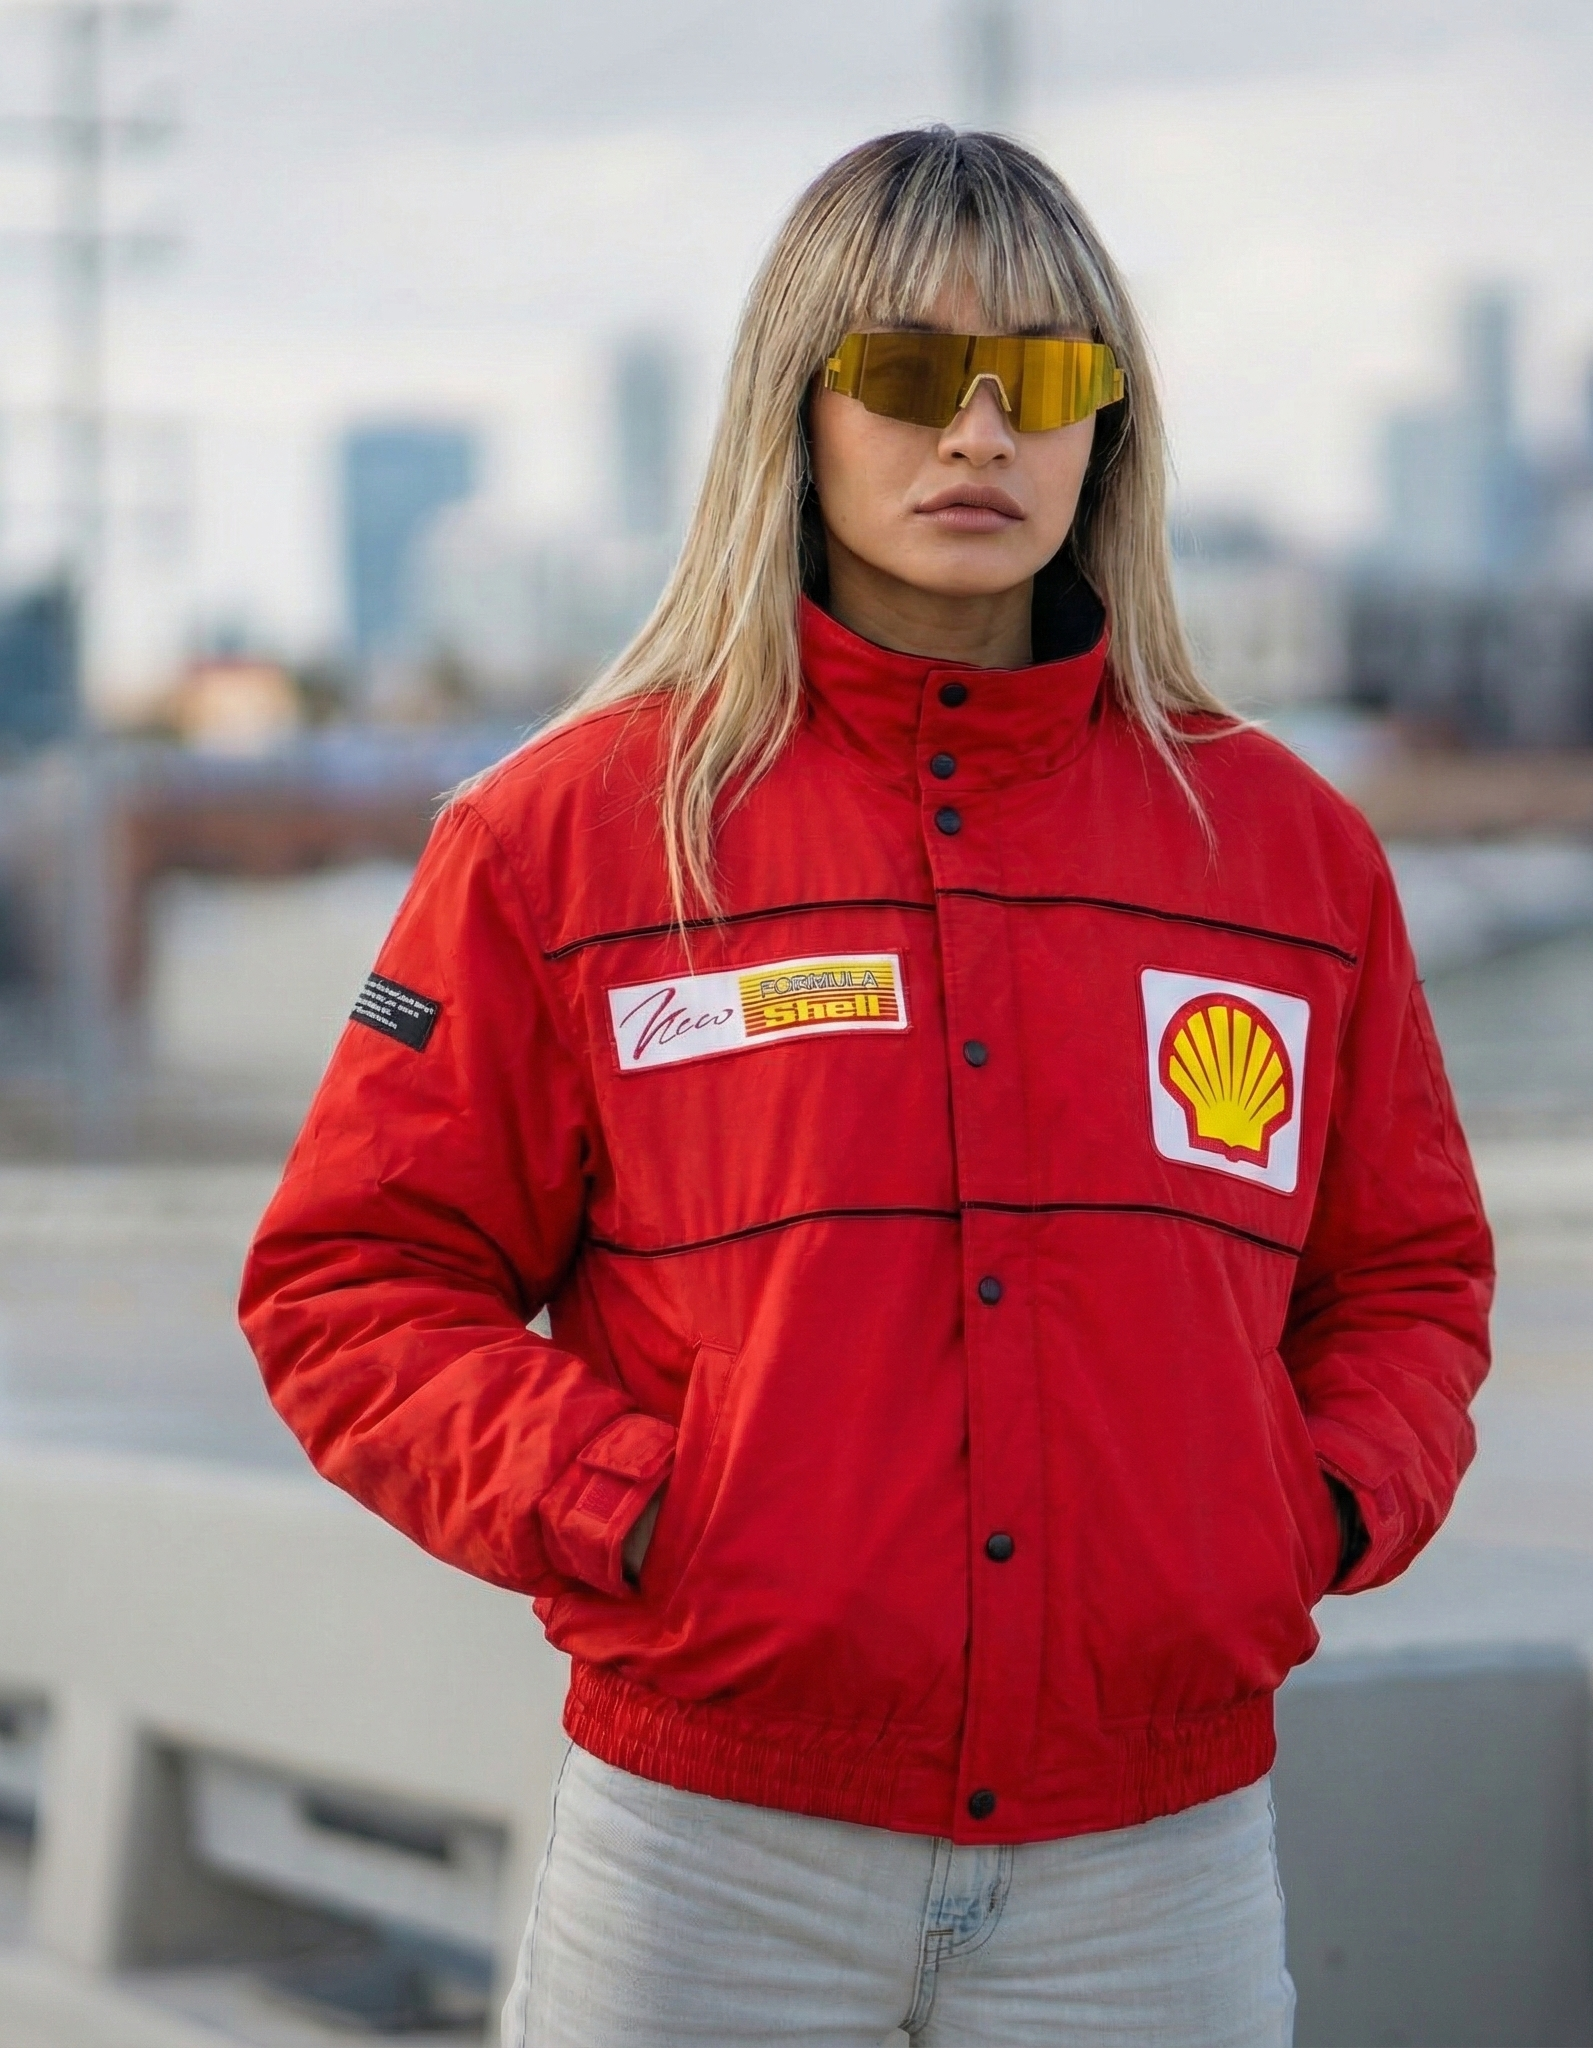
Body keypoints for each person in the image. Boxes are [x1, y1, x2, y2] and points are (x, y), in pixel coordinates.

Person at [240, 127, 1493, 2048]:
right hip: (712, 1858)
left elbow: (1407, 1279)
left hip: (1150, 1864)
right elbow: (348, 1283)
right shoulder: (573, 838)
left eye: (1049, 380)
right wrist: (636, 1507)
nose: (979, 435)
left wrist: (1298, 1513)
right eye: (909, 376)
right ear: (796, 413)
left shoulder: (1284, 853)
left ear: (1111, 430)